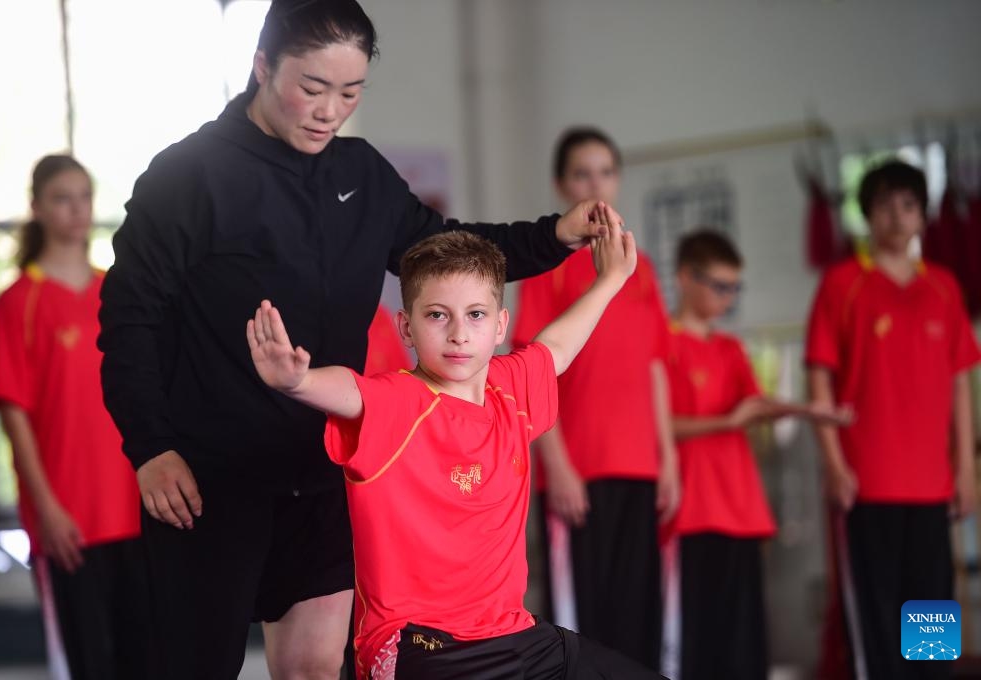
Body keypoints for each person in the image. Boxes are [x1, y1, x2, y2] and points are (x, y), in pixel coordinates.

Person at [97, 2, 612, 678]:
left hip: (322, 471)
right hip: (206, 478)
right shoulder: (187, 176)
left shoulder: (361, 175)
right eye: (312, 88)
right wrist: (151, 448)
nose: (329, 110)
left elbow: (451, 255)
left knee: (315, 669)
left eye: (351, 92)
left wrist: (555, 236)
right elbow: (128, 319)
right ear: (261, 67)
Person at [249, 220, 664, 679]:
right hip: (420, 648)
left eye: (476, 315)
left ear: (501, 325)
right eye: (437, 315)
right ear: (406, 327)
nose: (459, 334)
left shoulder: (512, 389)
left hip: (515, 638)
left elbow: (558, 346)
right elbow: (351, 391)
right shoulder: (399, 401)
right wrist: (299, 382)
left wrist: (611, 278)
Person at [806, 159, 980, 680]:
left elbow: (960, 386)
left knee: (931, 618)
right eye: (884, 205)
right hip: (866, 485)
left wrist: (967, 468)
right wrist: (835, 465)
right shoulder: (842, 284)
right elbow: (819, 380)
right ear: (867, 215)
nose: (897, 217)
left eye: (908, 205)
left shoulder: (945, 288)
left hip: (931, 486)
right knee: (878, 623)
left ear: (923, 217)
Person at [511, 126, 678, 666]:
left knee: (640, 615)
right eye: (583, 173)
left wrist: (668, 457)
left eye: (606, 171)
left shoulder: (639, 266)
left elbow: (654, 367)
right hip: (578, 473)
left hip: (639, 469)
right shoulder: (547, 268)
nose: (596, 184)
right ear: (562, 185)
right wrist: (555, 464)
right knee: (583, 624)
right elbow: (533, 372)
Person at [0, 155, 149, 680]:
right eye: (61, 198)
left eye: (84, 196)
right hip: (69, 520)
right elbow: (14, 417)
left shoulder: (117, 292)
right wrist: (46, 509)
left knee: (143, 659)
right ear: (36, 208)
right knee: (85, 664)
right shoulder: (18, 302)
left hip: (134, 508)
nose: (76, 210)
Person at [660, 229, 850, 680]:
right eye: (720, 286)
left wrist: (809, 409)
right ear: (686, 277)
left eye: (734, 287)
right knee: (699, 638)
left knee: (744, 640)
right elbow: (657, 425)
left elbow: (757, 406)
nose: (729, 297)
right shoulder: (662, 344)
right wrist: (725, 423)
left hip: (740, 510)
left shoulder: (730, 348)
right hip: (691, 511)